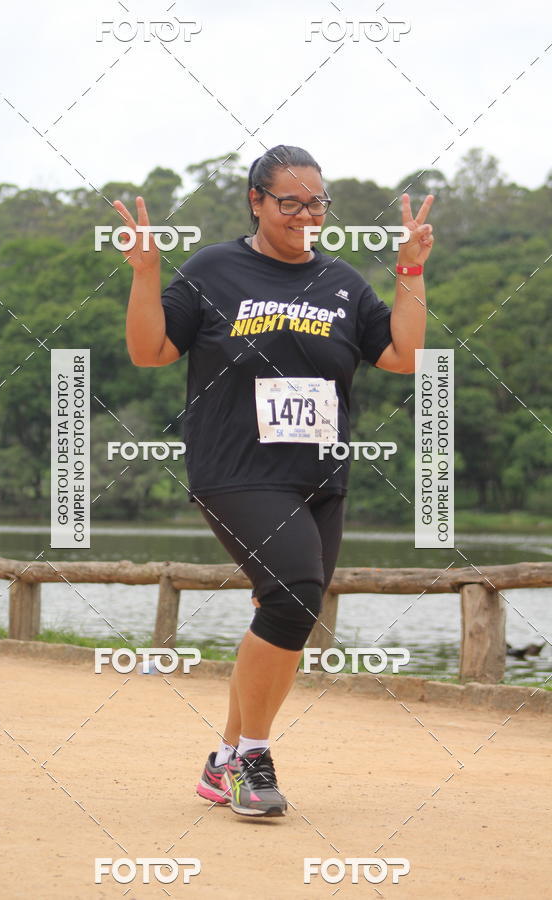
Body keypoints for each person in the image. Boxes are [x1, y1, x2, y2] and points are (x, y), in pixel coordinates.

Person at [115, 144, 435, 818]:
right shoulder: (214, 270)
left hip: (319, 476)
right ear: (255, 201)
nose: (304, 213)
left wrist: (410, 268)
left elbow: (404, 356)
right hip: (236, 471)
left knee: (285, 608)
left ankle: (222, 761)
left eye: (316, 201)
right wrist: (146, 272)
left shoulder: (344, 283)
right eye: (288, 201)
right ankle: (252, 760)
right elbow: (150, 351)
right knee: (294, 594)